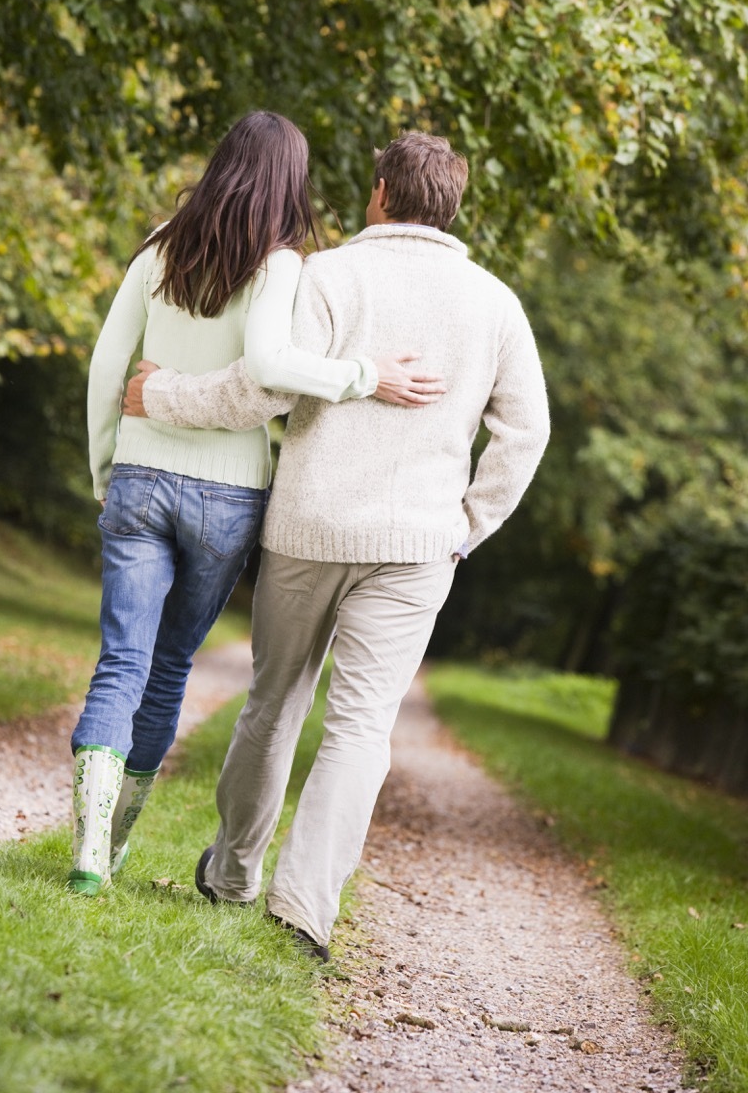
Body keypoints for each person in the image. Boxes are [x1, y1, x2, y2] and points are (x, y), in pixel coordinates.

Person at [122, 131, 550, 960]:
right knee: (362, 727)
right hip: (418, 544)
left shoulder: (325, 276)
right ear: (452, 206)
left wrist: (161, 394)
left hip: (308, 527)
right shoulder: (494, 302)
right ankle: (305, 908)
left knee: (274, 701)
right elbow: (524, 433)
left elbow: (262, 386)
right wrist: (469, 524)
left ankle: (233, 873)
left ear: (381, 192)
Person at [68, 111, 444, 896]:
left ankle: (89, 856)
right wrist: (362, 375)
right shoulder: (279, 265)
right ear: (290, 181)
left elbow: (109, 368)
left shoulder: (160, 245)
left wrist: (107, 467)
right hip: (228, 495)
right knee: (169, 667)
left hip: (138, 477)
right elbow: (271, 364)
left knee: (121, 663)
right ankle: (121, 839)